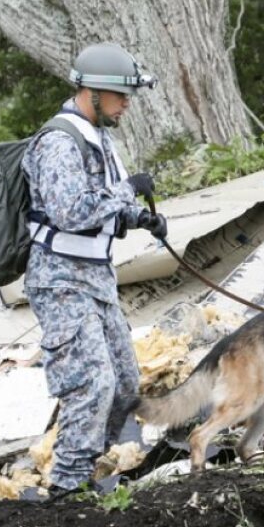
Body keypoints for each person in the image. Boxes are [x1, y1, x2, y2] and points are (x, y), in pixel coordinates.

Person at [21, 42, 167, 497]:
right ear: (95, 92)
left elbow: (98, 213)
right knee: (92, 383)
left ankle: (85, 468)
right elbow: (68, 211)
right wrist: (127, 191)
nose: (127, 105)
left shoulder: (99, 137)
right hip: (60, 280)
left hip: (96, 279)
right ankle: (67, 490)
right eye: (122, 96)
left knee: (124, 384)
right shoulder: (59, 143)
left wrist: (137, 218)